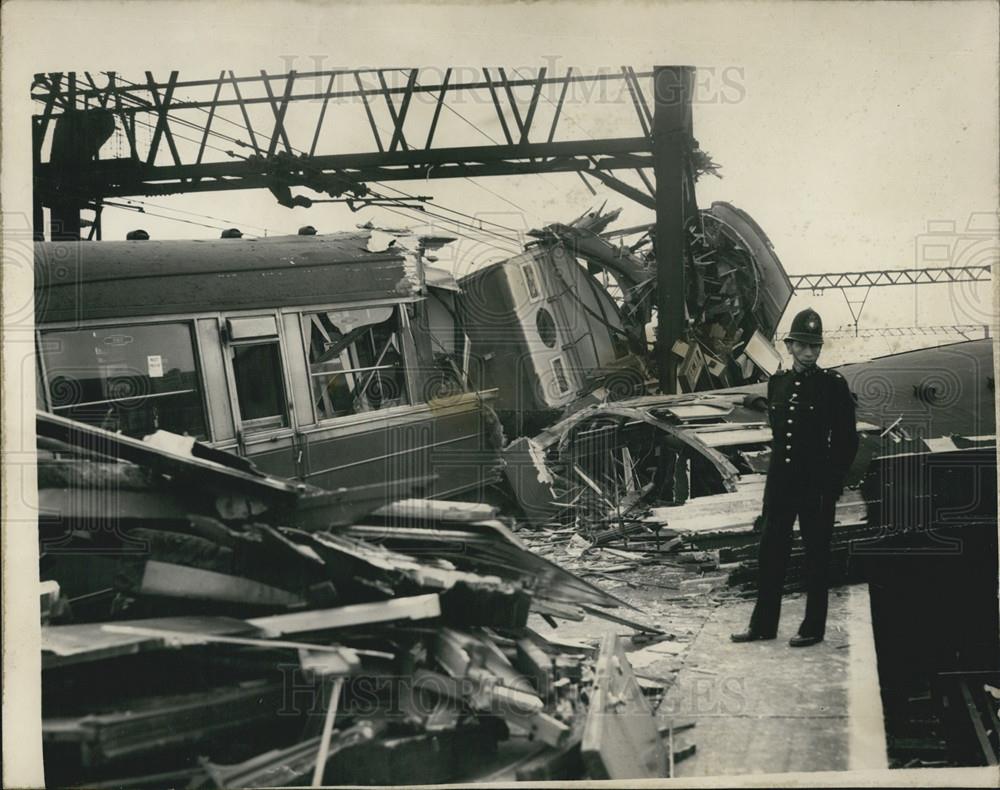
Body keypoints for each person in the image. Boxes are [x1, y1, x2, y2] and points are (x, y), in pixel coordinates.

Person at [731, 308, 859, 647]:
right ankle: (763, 625)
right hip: (781, 484)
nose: (808, 352)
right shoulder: (779, 383)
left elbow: (848, 440)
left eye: (814, 347)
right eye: (802, 345)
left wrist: (833, 483)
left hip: (815, 484)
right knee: (770, 552)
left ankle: (812, 628)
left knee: (816, 555)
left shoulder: (832, 385)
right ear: (789, 346)